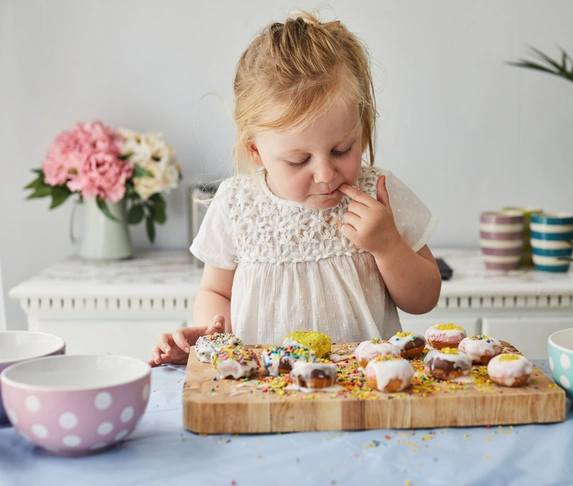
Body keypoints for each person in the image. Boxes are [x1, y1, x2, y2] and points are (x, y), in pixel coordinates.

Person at [150, 12, 441, 366]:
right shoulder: (236, 203)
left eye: (341, 150)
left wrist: (388, 246)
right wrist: (213, 334)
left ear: (361, 130)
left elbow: (424, 298)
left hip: (364, 391)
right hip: (265, 394)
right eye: (299, 159)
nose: (324, 174)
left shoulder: (378, 195)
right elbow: (214, 291)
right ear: (255, 150)